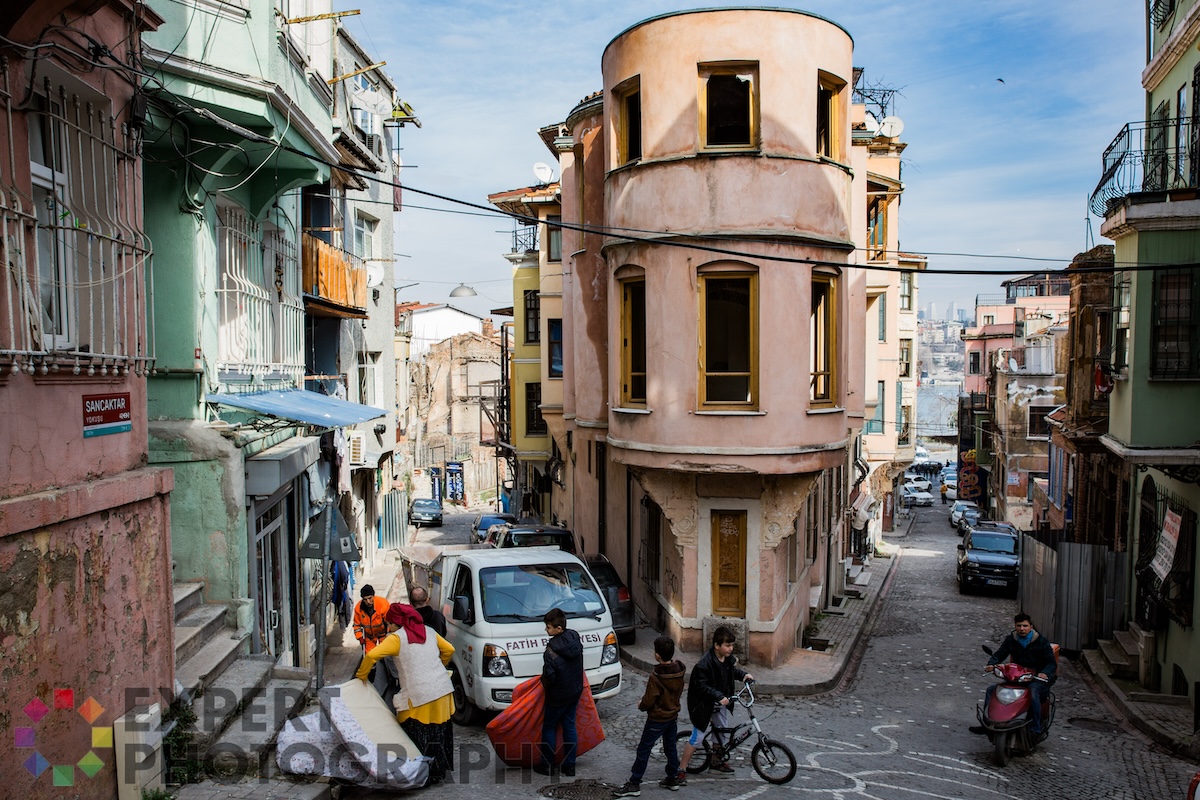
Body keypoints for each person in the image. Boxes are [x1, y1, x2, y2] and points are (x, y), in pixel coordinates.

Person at [357, 603, 457, 783]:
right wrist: (440, 665)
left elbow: (372, 656)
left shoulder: (396, 639)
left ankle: (418, 773)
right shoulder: (429, 631)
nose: (388, 627)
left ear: (397, 623)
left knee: (413, 731)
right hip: (443, 689)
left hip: (418, 694)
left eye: (390, 623)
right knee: (439, 730)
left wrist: (360, 677)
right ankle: (438, 771)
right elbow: (450, 649)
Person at [613, 636, 686, 796]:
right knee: (670, 747)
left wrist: (641, 705)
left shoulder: (657, 677)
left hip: (657, 718)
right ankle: (673, 777)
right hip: (672, 715)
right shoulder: (679, 672)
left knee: (644, 749)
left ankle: (634, 782)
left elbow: (650, 698)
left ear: (657, 655)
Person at [678, 626, 753, 779]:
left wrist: (744, 675)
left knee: (721, 732)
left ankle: (716, 762)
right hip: (702, 705)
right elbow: (702, 686)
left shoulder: (727, 660)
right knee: (697, 737)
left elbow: (732, 672)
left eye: (732, 645)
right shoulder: (703, 665)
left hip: (719, 702)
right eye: (727, 645)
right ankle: (681, 769)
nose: (731, 648)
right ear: (716, 645)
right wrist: (719, 696)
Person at [975, 613, 1057, 736]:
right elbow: (999, 654)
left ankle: (1035, 728)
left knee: (1033, 691)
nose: (1022, 629)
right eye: (1019, 626)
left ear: (1031, 626)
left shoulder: (1041, 642)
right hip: (1017, 678)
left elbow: (1052, 663)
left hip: (1037, 680)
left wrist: (1044, 673)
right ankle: (987, 724)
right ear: (1015, 626)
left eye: (1025, 626)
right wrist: (992, 664)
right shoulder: (1011, 640)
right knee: (992, 690)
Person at [534, 607, 583, 777]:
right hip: (574, 691)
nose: (546, 630)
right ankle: (570, 766)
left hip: (557, 696)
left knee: (549, 727)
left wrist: (543, 683)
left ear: (558, 629)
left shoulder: (551, 650)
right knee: (569, 725)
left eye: (548, 627)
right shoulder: (574, 637)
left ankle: (547, 765)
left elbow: (550, 676)